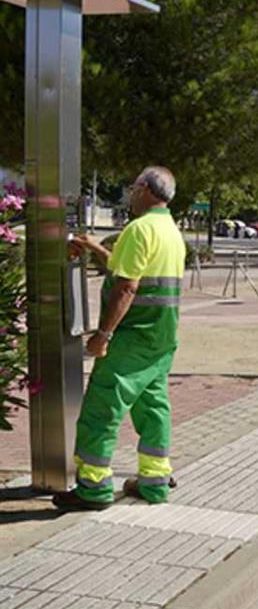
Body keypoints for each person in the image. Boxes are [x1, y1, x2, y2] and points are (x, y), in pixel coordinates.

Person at [53, 166, 185, 511]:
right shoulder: (170, 231)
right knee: (153, 409)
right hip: (161, 336)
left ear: (144, 189)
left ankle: (93, 488)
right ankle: (155, 483)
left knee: (101, 410)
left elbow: (127, 286)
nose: (130, 193)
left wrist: (103, 335)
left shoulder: (138, 229)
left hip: (131, 337)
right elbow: (128, 268)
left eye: (133, 187)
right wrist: (95, 247)